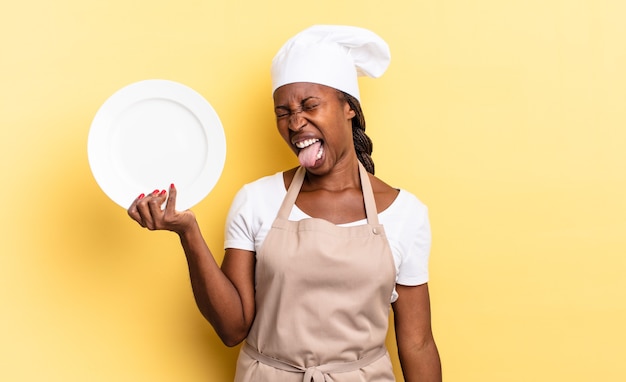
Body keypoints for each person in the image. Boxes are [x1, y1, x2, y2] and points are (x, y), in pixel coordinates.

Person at [128, 24, 441, 382]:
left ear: (348, 108)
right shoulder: (256, 200)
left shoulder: (406, 214)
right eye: (283, 112)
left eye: (310, 106)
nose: (295, 122)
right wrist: (188, 232)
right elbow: (232, 330)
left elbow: (417, 343)